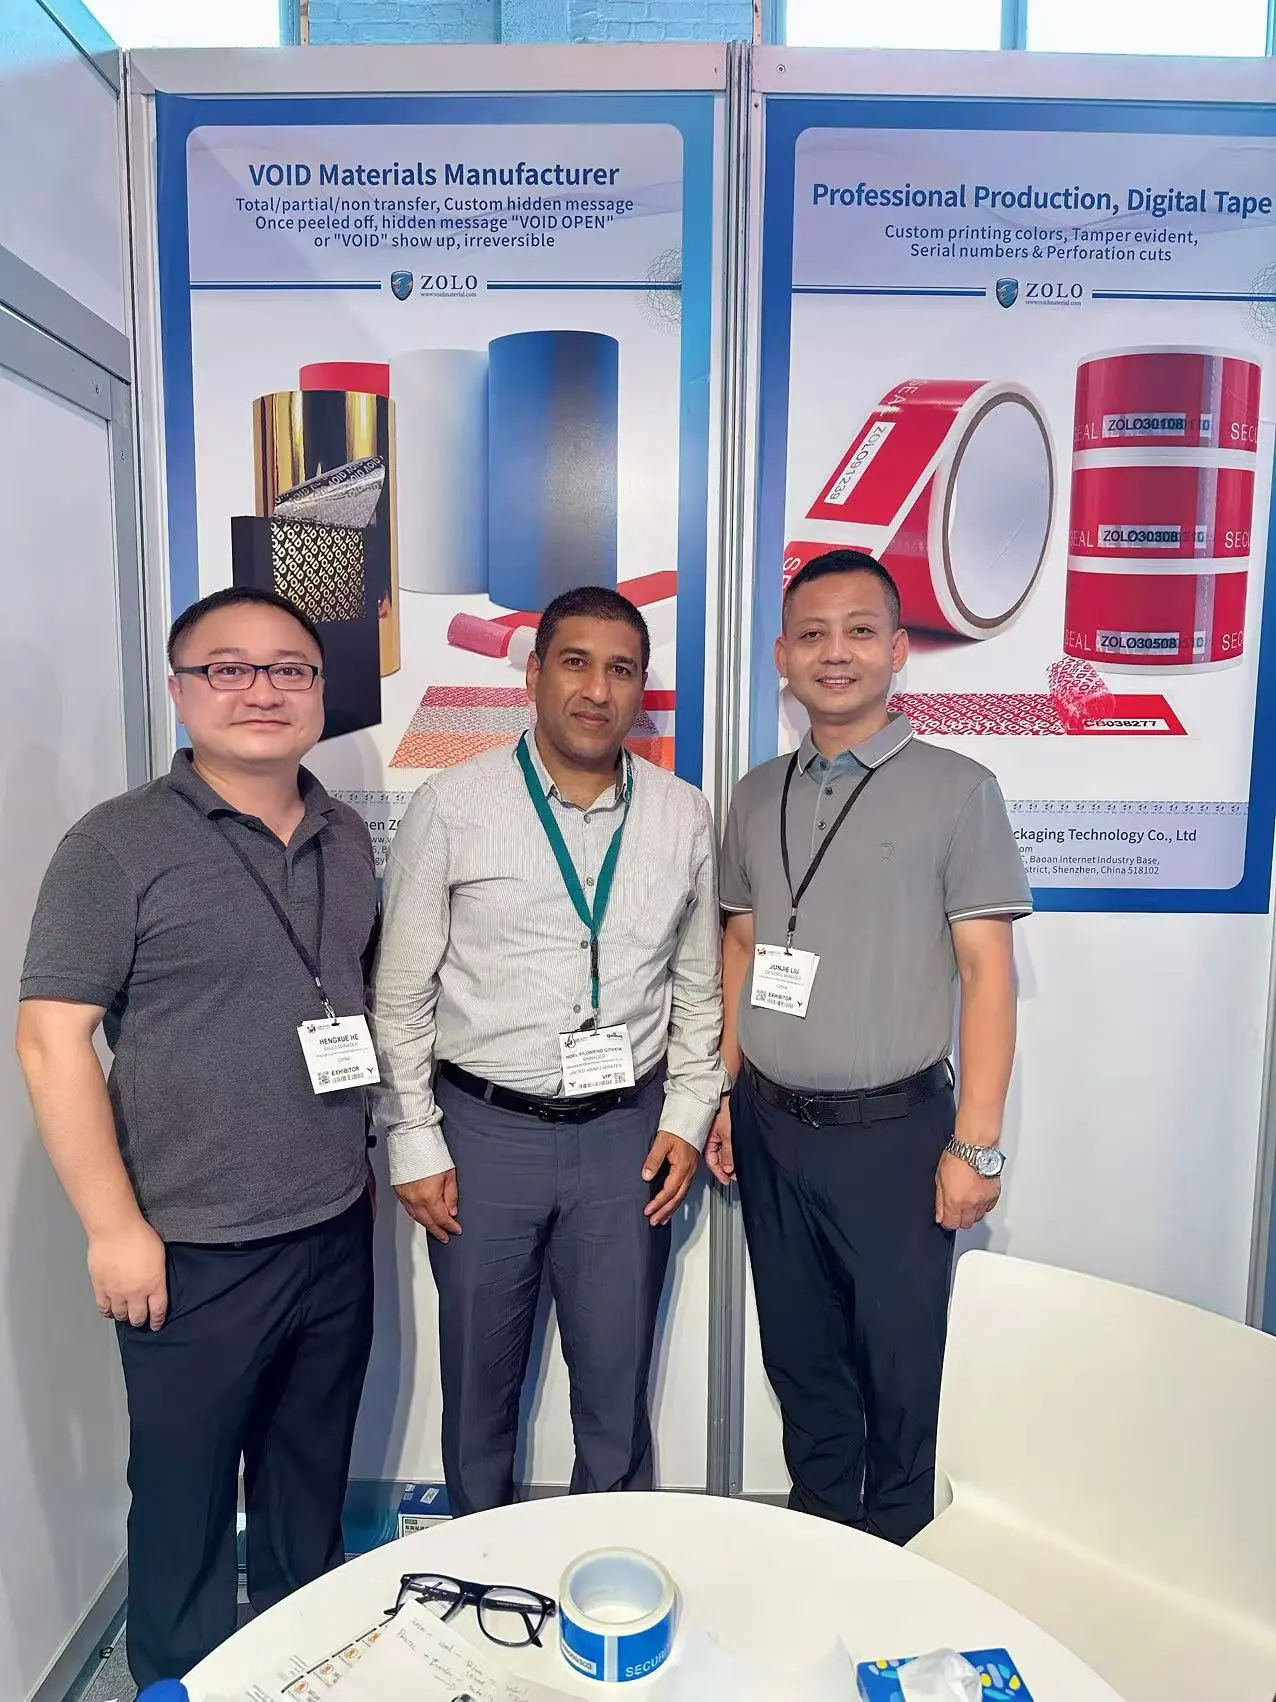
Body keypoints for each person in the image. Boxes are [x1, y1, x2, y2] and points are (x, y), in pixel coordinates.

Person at [16, 587, 379, 1686]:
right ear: (180, 692)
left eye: (289, 669)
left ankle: (302, 1662)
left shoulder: (345, 834)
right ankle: (180, 1676)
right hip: (191, 1248)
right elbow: (50, 1040)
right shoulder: (116, 844)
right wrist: (113, 1227)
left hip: (333, 1225)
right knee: (182, 1499)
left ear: (321, 692)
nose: (261, 690)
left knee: (307, 1480)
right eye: (228, 667)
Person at [371, 584, 724, 1515]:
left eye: (621, 670)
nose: (597, 690)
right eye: (575, 663)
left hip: (627, 1138)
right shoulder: (455, 804)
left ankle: (604, 1560)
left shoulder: (682, 815)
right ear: (532, 675)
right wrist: (413, 1139)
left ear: (641, 687)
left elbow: (699, 987)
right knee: (478, 1389)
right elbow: (400, 992)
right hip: (485, 1137)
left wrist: (688, 1116)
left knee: (615, 1393)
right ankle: (480, 1558)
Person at [708, 548, 1031, 1545]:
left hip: (895, 1136)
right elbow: (741, 943)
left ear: (898, 650)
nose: (834, 652)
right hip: (770, 1126)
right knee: (800, 1356)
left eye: (858, 631)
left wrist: (976, 1145)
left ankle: (897, 1557)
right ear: (782, 656)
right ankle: (818, 1539)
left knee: (899, 1367)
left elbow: (987, 973)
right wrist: (724, 1092)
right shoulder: (755, 794)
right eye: (812, 634)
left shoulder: (958, 789)